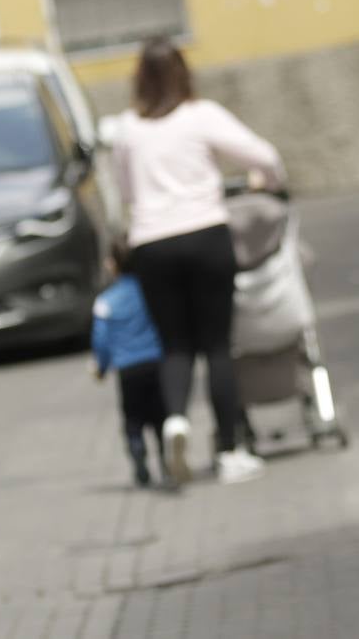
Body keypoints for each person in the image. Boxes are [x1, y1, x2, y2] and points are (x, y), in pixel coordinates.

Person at [112, 38, 285, 485]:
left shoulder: (127, 129)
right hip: (206, 235)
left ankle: (175, 423)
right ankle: (229, 452)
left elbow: (126, 194)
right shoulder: (200, 116)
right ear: (182, 73)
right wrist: (267, 182)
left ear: (140, 79)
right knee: (216, 346)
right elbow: (265, 156)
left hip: (151, 244)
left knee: (174, 346)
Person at [90, 239, 167, 488]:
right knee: (160, 416)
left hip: (127, 369)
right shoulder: (152, 290)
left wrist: (101, 367)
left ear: (113, 265)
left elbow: (100, 341)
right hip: (157, 362)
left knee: (133, 420)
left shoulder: (105, 301)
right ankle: (166, 462)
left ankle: (139, 461)